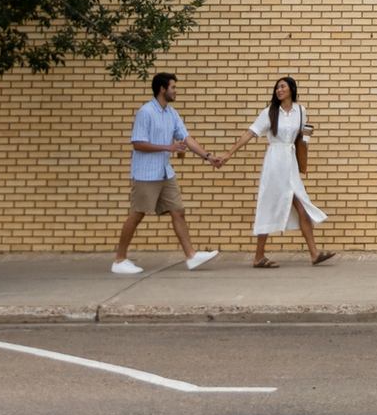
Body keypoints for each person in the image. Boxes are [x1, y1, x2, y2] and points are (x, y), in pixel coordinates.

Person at [213, 76, 334, 267]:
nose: (279, 90)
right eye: (277, 87)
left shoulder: (301, 110)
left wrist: (306, 142)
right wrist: (229, 154)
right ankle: (259, 256)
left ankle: (314, 253)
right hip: (275, 162)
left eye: (283, 87)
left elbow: (303, 136)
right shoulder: (269, 112)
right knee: (269, 205)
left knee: (301, 204)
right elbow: (250, 133)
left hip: (290, 162)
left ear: (291, 89)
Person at [111, 72, 221, 274]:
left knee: (178, 211)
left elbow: (187, 139)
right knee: (136, 215)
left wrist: (208, 156)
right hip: (146, 174)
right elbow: (138, 143)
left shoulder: (172, 113)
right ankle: (119, 260)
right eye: (173, 87)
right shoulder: (146, 112)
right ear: (162, 89)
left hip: (164, 173)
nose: (176, 91)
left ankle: (191, 256)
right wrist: (168, 148)